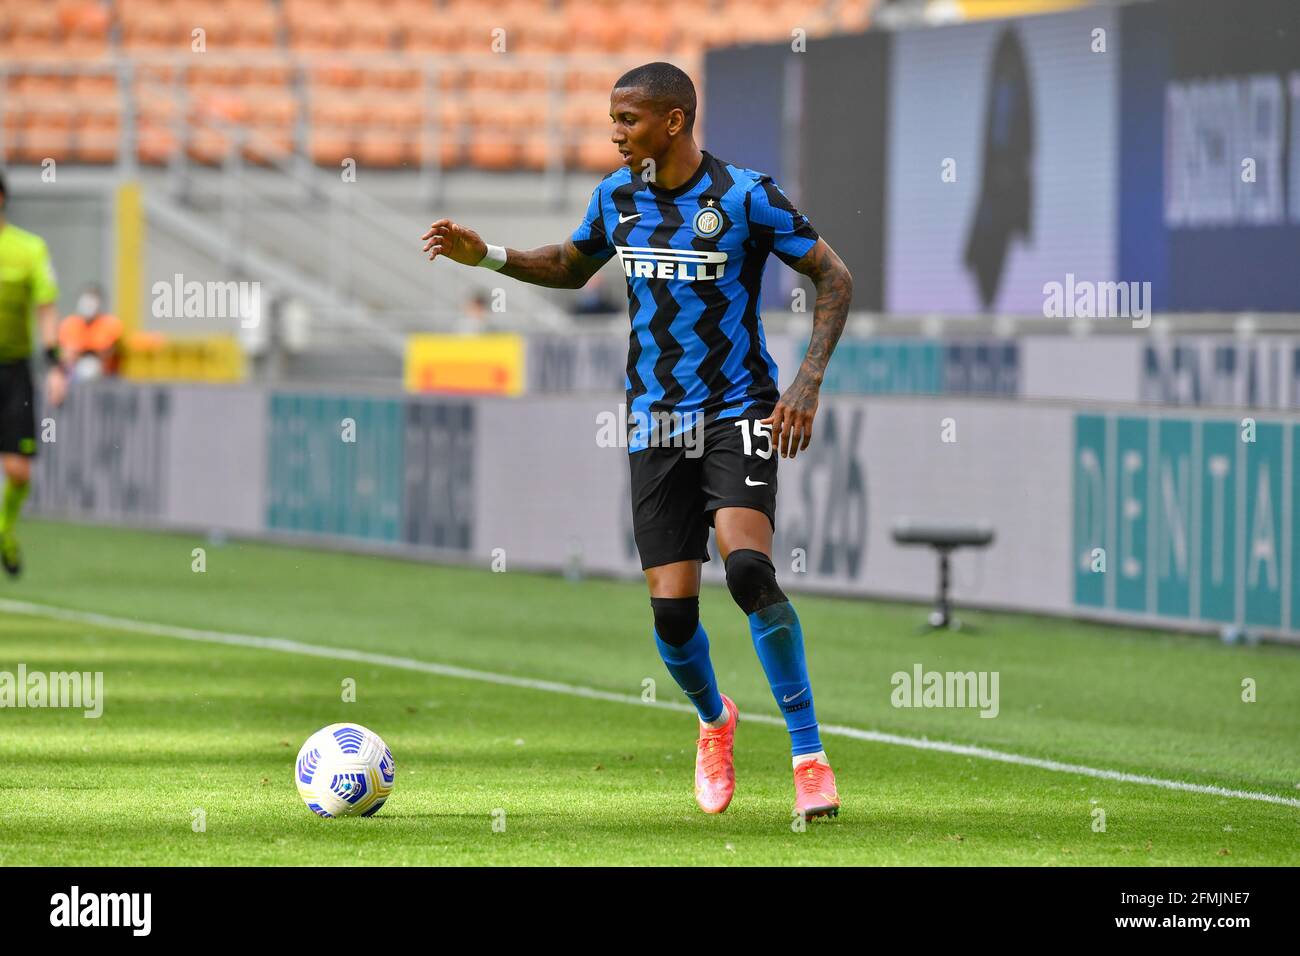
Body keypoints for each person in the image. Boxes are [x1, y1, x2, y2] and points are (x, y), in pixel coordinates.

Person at [420, 63, 853, 819]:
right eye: (613, 120)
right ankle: (715, 721)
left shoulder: (746, 196)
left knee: (749, 570)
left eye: (628, 120)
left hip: (736, 408)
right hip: (655, 419)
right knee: (673, 618)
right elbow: (567, 264)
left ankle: (809, 754)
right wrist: (488, 258)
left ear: (675, 122)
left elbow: (834, 278)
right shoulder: (615, 199)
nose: (615, 133)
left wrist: (806, 383)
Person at [0, 170, 67, 576]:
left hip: (13, 371)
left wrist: (56, 364)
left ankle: (4, 530)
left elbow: (45, 308)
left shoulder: (29, 249)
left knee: (18, 469)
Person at [59, 282, 122, 379]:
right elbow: (67, 355)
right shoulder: (69, 324)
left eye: (93, 297)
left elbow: (107, 352)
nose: (89, 303)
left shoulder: (110, 324)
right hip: (73, 375)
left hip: (104, 376)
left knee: (90, 367)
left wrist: (85, 352)